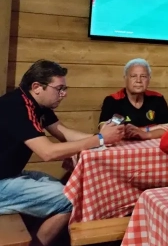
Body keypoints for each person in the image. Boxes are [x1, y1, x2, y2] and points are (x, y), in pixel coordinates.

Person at [0, 60, 123, 246]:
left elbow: (64, 133)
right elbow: (47, 152)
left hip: (10, 175)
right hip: (3, 181)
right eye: (59, 88)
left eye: (65, 89)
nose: (63, 94)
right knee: (71, 199)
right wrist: (99, 139)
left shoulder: (37, 105)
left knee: (66, 188)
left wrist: (105, 137)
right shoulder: (15, 106)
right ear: (37, 87)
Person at [99, 58, 168, 140]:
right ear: (125, 78)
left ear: (149, 79)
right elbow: (104, 131)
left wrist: (146, 134)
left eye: (143, 76)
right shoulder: (112, 100)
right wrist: (153, 129)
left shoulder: (157, 98)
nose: (138, 80)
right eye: (133, 76)